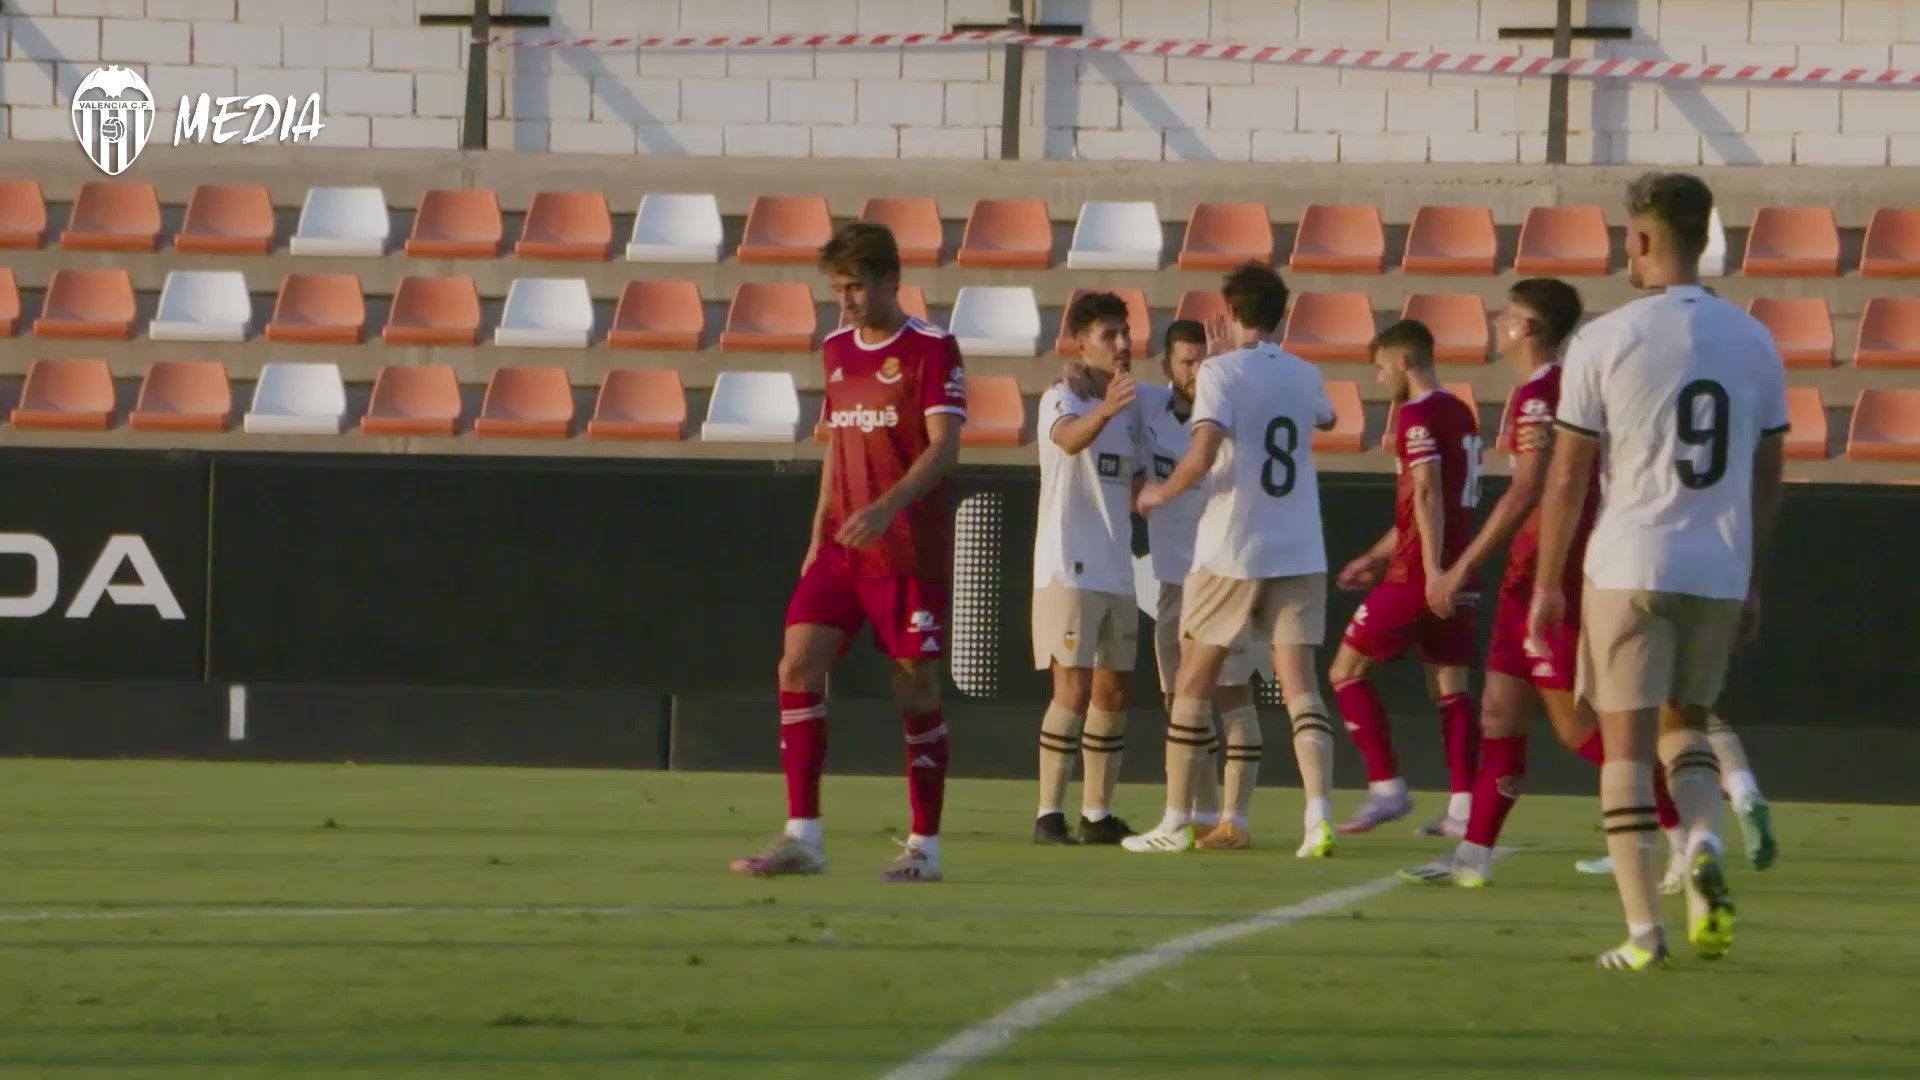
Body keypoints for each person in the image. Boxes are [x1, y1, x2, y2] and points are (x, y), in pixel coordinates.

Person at [1530, 171, 1789, 970]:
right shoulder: (1755, 338)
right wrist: (1749, 574)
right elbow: (1768, 473)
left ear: (1643, 239)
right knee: (1691, 727)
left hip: (1629, 561)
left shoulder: (1607, 338)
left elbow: (1568, 477)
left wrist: (1546, 585)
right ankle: (1705, 841)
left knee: (1626, 752)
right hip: (1715, 564)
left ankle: (1644, 933)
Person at [1398, 280, 1684, 887]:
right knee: (1500, 711)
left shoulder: (1545, 394)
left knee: (1574, 723)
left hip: (1547, 573)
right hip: (1526, 574)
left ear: (1527, 328)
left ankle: (1678, 832)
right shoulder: (1538, 391)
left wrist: (1460, 565)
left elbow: (1529, 488)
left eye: (1509, 315)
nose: (1499, 323)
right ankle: (1472, 860)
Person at [730, 222, 966, 883]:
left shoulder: (932, 349)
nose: (846, 302)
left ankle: (925, 847)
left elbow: (945, 447)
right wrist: (815, 539)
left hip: (905, 550)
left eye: (856, 287)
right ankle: (803, 836)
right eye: (838, 290)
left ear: (892, 280)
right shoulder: (835, 348)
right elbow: (836, 447)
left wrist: (888, 505)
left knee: (913, 684)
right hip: (840, 548)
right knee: (796, 664)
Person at [1129, 262, 1339, 858]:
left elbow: (1200, 453)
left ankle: (1175, 819)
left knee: (1193, 679)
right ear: (1282, 312)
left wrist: (1158, 493)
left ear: (1229, 311)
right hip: (1299, 545)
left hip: (1231, 547)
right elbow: (1328, 417)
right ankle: (1317, 816)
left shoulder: (1219, 371)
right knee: (1301, 687)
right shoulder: (1304, 372)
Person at [1330, 320, 1485, 838]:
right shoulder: (1460, 411)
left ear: (1403, 361)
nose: (1378, 380)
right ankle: (1464, 808)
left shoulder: (1416, 414)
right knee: (1450, 684)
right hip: (1457, 567)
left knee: (1345, 670)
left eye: (1379, 367)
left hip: (1421, 574)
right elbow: (1426, 505)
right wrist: (1376, 555)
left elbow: (1427, 494)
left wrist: (1432, 570)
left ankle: (1387, 789)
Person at [1124, 318, 1271, 848]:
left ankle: (1237, 819)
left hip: (1224, 574)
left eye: (1203, 361)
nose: (1194, 371)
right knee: (1178, 702)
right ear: (1167, 366)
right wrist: (1071, 375)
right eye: (1186, 361)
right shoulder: (1147, 406)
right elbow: (1098, 387)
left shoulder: (1230, 407)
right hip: (1169, 579)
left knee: (1232, 696)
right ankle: (1204, 817)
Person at [1031, 292, 1143, 846]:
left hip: (1117, 567)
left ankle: (1097, 813)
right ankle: (1048, 813)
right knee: (1070, 688)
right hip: (1068, 565)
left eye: (1125, 333)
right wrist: (1105, 408)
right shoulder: (1062, 396)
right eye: (1109, 335)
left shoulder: (1133, 402)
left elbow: (1142, 479)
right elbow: (1070, 441)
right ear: (1080, 344)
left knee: (1113, 691)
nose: (1123, 345)